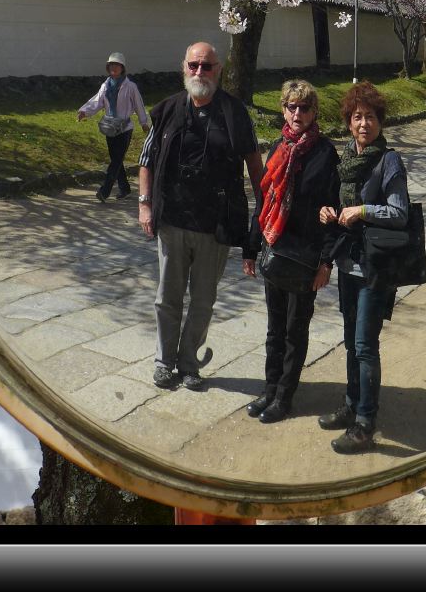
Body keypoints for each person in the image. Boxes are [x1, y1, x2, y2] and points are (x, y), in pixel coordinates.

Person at [137, 42, 264, 391]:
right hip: (172, 220)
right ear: (183, 68)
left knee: (204, 299)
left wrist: (263, 210)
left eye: (206, 67)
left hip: (215, 224)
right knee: (167, 297)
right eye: (193, 65)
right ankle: (164, 362)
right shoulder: (166, 110)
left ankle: (189, 362)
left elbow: (255, 164)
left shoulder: (235, 113)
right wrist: (144, 204)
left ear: (219, 70)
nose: (199, 73)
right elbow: (146, 160)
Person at [318, 81, 409, 454]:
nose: (363, 124)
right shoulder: (346, 161)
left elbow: (400, 213)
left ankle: (365, 422)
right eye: (357, 117)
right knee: (349, 342)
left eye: (370, 117)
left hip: (374, 268)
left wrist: (364, 211)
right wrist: (328, 211)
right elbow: (337, 204)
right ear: (348, 122)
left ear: (380, 122)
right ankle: (352, 404)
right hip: (347, 263)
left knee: (365, 345)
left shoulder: (389, 161)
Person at [242, 80, 340, 423]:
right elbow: (264, 200)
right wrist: (251, 248)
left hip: (305, 256)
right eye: (292, 107)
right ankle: (269, 390)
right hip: (275, 248)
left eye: (305, 108)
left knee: (295, 331)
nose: (298, 113)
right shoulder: (279, 149)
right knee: (274, 328)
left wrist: (326, 261)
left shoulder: (325, 153)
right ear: (284, 109)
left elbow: (333, 209)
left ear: (314, 114)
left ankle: (284, 397)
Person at [77, 52, 150, 203]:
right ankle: (125, 189)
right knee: (116, 159)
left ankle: (105, 191)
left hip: (125, 128)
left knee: (116, 160)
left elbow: (139, 104)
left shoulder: (130, 86)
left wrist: (144, 122)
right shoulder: (106, 85)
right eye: (111, 65)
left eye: (117, 65)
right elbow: (97, 101)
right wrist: (85, 111)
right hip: (110, 127)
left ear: (122, 68)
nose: (114, 67)